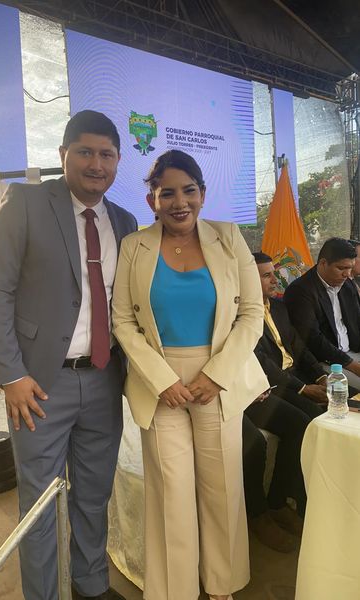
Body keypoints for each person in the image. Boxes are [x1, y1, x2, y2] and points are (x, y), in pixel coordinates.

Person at [0, 110, 137, 600]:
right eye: (85, 152)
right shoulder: (26, 203)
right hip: (39, 384)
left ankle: (90, 585)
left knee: (94, 494)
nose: (96, 164)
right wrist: (10, 376)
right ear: (63, 155)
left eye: (107, 154)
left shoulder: (125, 221)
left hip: (105, 378)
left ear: (118, 161)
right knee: (40, 505)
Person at [112, 150, 268, 600]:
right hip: (160, 384)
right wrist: (161, 380)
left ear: (203, 192)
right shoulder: (134, 246)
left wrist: (216, 375)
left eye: (189, 190)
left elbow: (252, 314)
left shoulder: (229, 238)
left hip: (217, 380)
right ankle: (174, 590)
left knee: (222, 487)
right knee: (172, 492)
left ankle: (222, 584)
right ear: (152, 199)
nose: (179, 202)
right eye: (167, 193)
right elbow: (123, 320)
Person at [253, 252, 327, 419]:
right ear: (247, 279)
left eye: (274, 273)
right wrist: (303, 388)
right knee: (316, 416)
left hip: (297, 373)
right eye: (267, 276)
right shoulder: (241, 316)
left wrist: (321, 376)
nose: (275, 280)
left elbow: (298, 346)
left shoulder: (278, 307)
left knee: (349, 397)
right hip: (275, 382)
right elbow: (263, 362)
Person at [283, 237, 360, 392]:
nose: (347, 274)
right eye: (341, 268)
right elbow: (313, 339)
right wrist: (352, 365)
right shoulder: (300, 291)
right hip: (326, 362)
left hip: (353, 352)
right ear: (323, 263)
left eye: (350, 268)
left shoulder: (347, 284)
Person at [243, 393, 310, 553]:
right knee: (254, 443)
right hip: (220, 397)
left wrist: (253, 384)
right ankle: (257, 515)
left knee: (300, 425)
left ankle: (277, 502)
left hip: (243, 389)